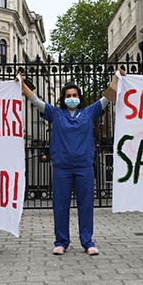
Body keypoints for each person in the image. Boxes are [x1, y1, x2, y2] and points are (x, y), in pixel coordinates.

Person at [17, 69, 125, 256]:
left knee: (86, 205)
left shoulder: (89, 112)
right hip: (62, 168)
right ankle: (61, 242)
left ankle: (88, 241)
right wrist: (22, 83)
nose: (71, 98)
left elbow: (108, 97)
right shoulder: (56, 114)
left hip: (84, 168)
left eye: (74, 95)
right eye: (68, 95)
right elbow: (35, 101)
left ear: (79, 97)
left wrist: (116, 78)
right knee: (60, 205)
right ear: (63, 98)